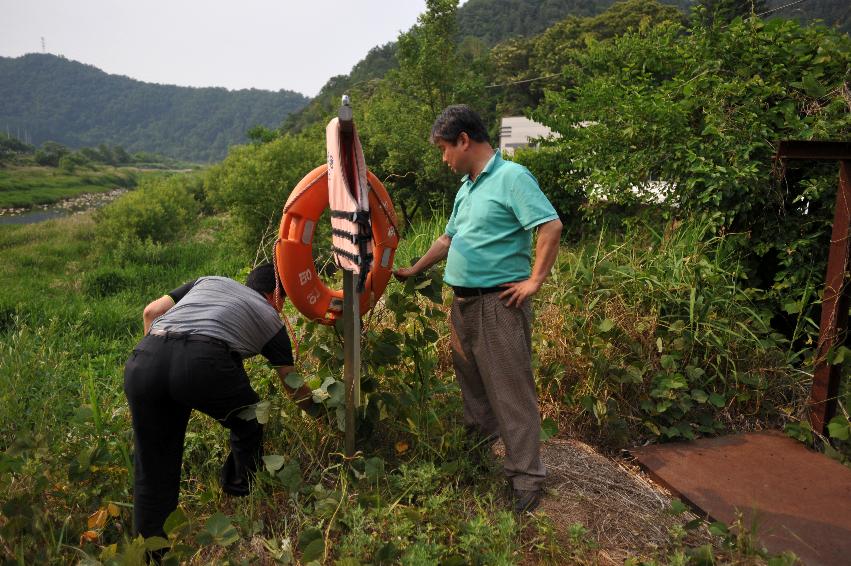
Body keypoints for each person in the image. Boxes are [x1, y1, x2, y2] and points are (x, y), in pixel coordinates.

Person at [395, 105, 563, 514]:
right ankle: (482, 458)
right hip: (464, 303)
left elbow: (550, 225)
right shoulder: (467, 188)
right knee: (473, 388)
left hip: (498, 304)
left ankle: (526, 479)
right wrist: (414, 269)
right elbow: (449, 239)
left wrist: (534, 281)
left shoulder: (511, 178)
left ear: (464, 140)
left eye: (444, 148)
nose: (443, 158)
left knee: (510, 392)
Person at [123, 263, 313, 539]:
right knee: (251, 416)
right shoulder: (270, 318)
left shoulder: (208, 281)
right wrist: (324, 415)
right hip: (200, 361)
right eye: (283, 301)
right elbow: (293, 386)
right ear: (275, 296)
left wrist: (161, 365)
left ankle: (152, 552)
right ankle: (239, 493)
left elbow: (151, 312)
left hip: (144, 361)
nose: (282, 308)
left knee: (152, 465)